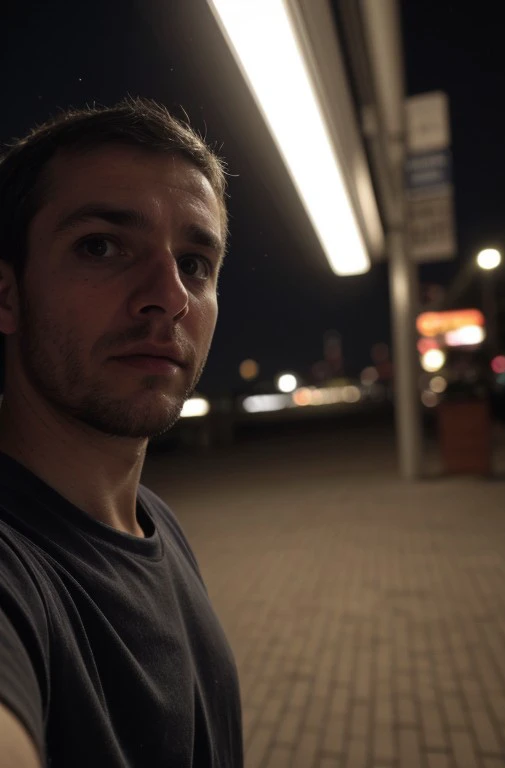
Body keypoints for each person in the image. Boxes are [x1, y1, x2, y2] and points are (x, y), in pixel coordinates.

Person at [0, 98, 243, 768]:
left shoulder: (151, 522)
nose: (168, 295)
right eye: (101, 246)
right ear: (8, 294)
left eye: (196, 262)